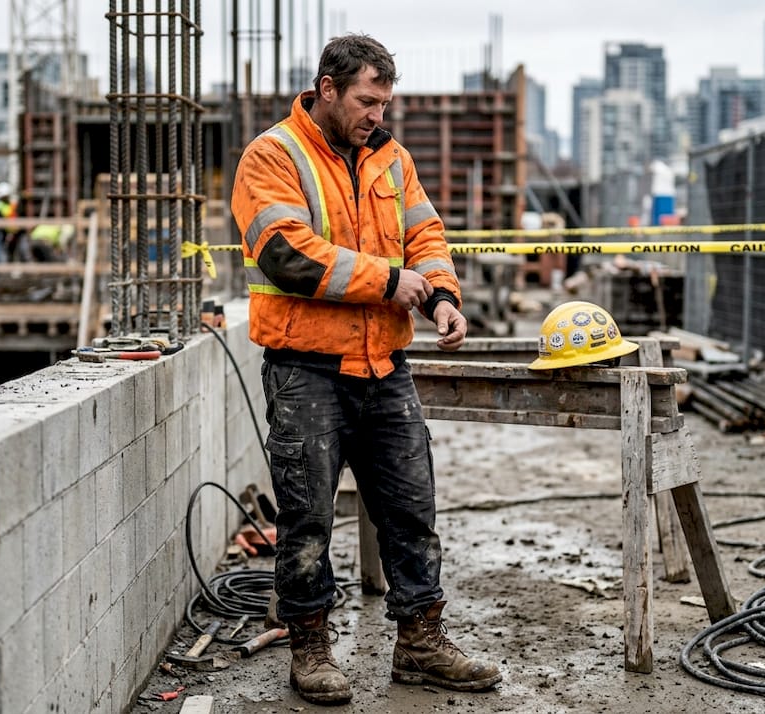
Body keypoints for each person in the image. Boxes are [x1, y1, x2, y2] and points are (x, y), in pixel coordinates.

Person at [230, 33, 500, 705]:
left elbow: (426, 238)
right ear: (327, 89)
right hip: (306, 368)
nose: (376, 114)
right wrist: (390, 282)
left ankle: (420, 642)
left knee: (412, 510)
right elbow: (286, 254)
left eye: (384, 102)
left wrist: (441, 298)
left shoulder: (393, 160)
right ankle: (311, 648)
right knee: (307, 518)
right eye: (366, 101)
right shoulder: (274, 155)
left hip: (385, 364)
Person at [0, 182, 18, 263]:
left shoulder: (2, 205)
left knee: (1, 249)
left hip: (3, 231)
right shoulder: (0, 206)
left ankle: (0, 268)